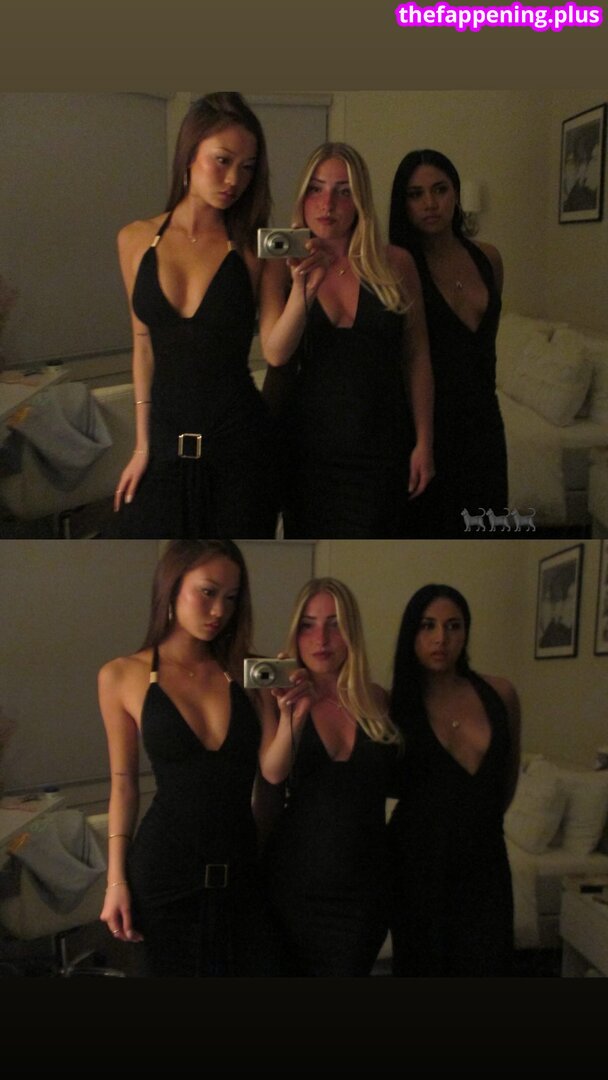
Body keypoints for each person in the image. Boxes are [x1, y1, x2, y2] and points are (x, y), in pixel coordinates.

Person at [98, 539, 308, 976]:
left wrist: (291, 716)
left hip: (241, 869)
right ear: (172, 586)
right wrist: (115, 880)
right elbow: (123, 783)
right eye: (208, 592)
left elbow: (273, 770)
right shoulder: (121, 675)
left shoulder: (248, 670)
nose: (218, 611)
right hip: (163, 872)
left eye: (231, 598)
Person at [109, 92, 281, 539]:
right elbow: (143, 347)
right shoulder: (134, 239)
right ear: (189, 154)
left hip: (241, 446)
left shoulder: (255, 248)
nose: (234, 179)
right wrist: (142, 445)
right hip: (163, 443)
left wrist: (303, 286)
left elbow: (277, 350)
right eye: (222, 160)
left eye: (247, 167)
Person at [260, 142, 434, 539]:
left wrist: (425, 441)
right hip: (306, 451)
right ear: (302, 196)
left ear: (360, 200)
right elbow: (276, 352)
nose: (328, 204)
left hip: (381, 447)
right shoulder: (281, 266)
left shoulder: (396, 263)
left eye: (343, 191)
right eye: (316, 189)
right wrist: (303, 289)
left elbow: (417, 356)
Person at [261, 577, 402, 975]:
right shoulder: (279, 698)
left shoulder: (377, 700)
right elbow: (273, 772)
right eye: (308, 625)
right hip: (296, 884)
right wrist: (294, 715)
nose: (320, 638)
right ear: (295, 633)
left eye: (334, 624)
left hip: (365, 890)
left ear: (351, 630)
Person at [387, 584, 521, 977]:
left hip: (485, 863)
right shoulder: (395, 706)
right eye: (427, 625)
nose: (440, 639)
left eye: (453, 626)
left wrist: (476, 824)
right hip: (416, 866)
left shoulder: (501, 693)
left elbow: (507, 777)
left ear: (466, 632)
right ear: (412, 633)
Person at [389, 149, 507, 538]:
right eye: (416, 194)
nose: (430, 203)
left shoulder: (489, 258)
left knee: (487, 528)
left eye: (440, 190)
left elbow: (486, 345)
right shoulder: (400, 266)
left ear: (455, 193)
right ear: (403, 203)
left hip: (484, 422)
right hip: (427, 424)